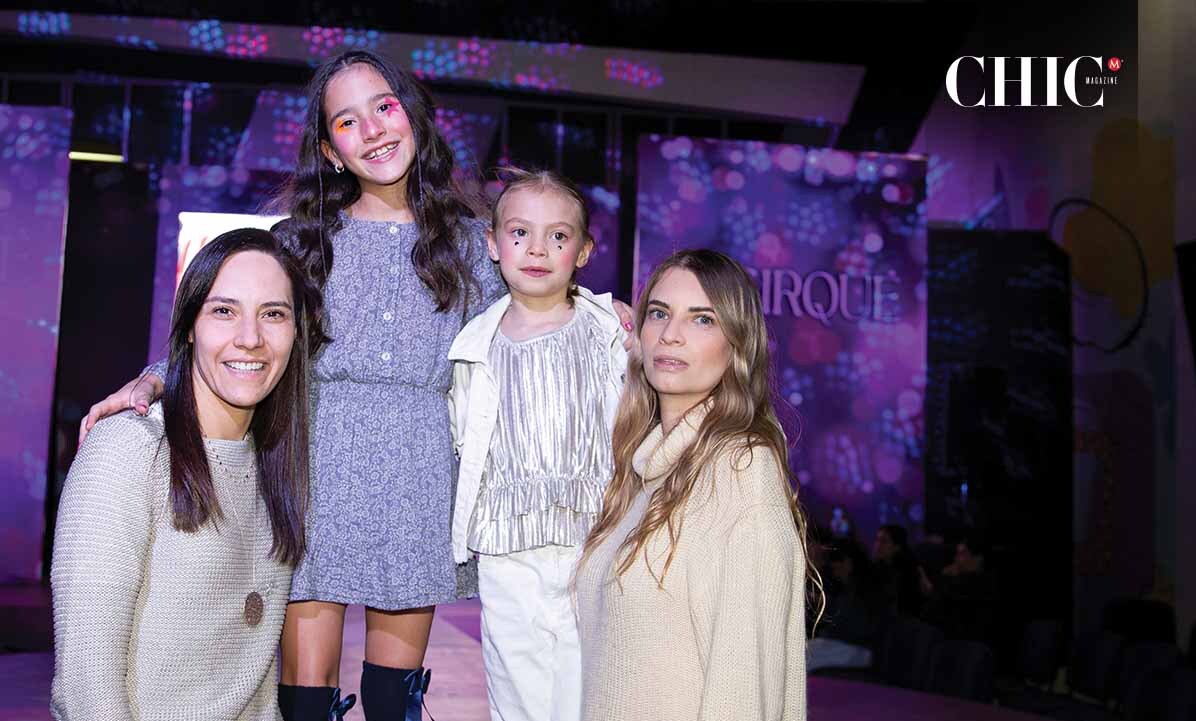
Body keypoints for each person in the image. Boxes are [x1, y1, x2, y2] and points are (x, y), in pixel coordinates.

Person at [78, 50, 632, 721]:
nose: (372, 130)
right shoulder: (300, 242)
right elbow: (235, 333)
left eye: (384, 107)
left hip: (421, 479)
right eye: (347, 121)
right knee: (304, 696)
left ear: (413, 117)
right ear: (329, 150)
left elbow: (541, 305)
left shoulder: (471, 245)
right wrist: (152, 379)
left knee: (393, 699)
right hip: (313, 473)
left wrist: (607, 313)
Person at [51, 229, 323, 720]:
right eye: (224, 311)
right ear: (190, 325)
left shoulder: (278, 461)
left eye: (273, 314)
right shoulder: (129, 450)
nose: (250, 338)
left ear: (297, 331)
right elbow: (86, 682)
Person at [574, 249, 819, 721]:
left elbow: (743, 689)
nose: (671, 333)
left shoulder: (741, 470)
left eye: (702, 319)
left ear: (737, 345)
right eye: (658, 313)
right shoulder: (645, 472)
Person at [447, 168, 627, 721]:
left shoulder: (608, 332)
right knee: (516, 689)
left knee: (585, 691)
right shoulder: (474, 346)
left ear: (584, 251)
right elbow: (461, 438)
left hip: (592, 540)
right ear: (493, 245)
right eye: (520, 233)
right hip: (508, 547)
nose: (538, 249)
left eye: (558, 235)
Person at [808, 538, 887, 670]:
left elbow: (854, 627)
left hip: (858, 649)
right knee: (804, 651)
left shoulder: (863, 591)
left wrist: (828, 628)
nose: (833, 568)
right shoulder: (851, 588)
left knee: (804, 656)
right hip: (847, 645)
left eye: (836, 563)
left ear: (848, 563)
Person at [872, 523, 924, 617]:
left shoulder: (907, 571)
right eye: (877, 540)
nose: (878, 545)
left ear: (897, 546)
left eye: (884, 541)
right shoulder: (876, 567)